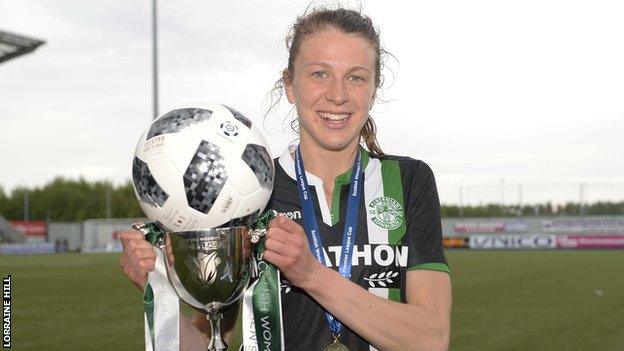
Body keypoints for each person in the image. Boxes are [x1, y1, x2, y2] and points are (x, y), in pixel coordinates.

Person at [120, 6, 451, 351]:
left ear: (374, 89)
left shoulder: (409, 180)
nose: (337, 95)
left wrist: (312, 275)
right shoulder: (246, 193)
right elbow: (206, 344)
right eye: (319, 74)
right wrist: (156, 288)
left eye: (356, 77)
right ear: (290, 85)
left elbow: (431, 339)